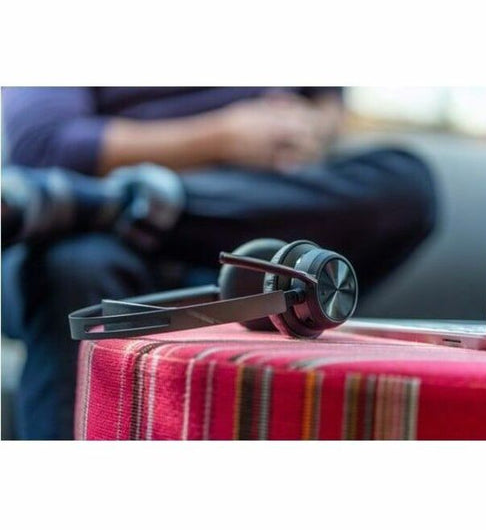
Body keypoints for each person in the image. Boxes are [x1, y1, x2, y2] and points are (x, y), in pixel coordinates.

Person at [1, 87, 436, 439]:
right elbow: (43, 145)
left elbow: (327, 102)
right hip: (101, 251)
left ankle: (116, 203)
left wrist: (304, 130)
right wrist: (221, 136)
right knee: (70, 266)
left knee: (406, 184)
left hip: (254, 238)